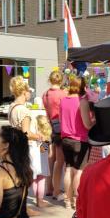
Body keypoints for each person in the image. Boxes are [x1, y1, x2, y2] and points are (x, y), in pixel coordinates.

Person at [8, 76, 47, 210]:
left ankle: (19, 206)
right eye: (29, 91)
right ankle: (22, 207)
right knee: (25, 179)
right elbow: (26, 133)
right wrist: (38, 136)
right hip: (25, 148)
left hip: (15, 146)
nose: (30, 93)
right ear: (24, 92)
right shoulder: (23, 110)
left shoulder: (12, 107)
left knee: (19, 178)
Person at [59, 75, 94, 209]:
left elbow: (62, 121)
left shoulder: (63, 100)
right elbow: (87, 125)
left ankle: (67, 201)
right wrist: (95, 121)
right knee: (79, 171)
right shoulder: (82, 101)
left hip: (66, 139)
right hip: (80, 140)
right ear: (82, 86)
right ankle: (76, 200)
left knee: (68, 169)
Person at [42, 69, 66, 199]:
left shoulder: (45, 94)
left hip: (48, 126)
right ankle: (57, 189)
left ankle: (48, 187)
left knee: (50, 158)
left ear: (50, 80)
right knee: (59, 159)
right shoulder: (63, 94)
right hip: (60, 127)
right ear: (61, 80)